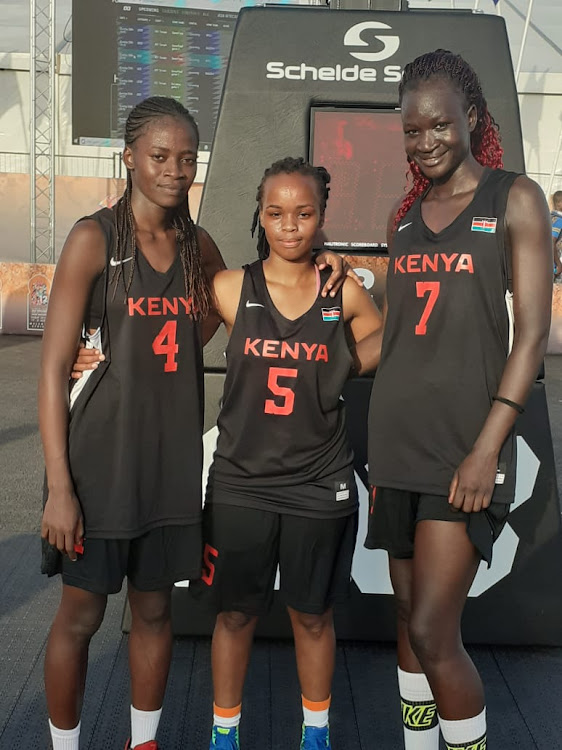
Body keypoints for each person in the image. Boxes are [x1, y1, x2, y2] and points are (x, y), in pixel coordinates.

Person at [41, 97, 354, 750]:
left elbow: (249, 303)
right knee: (80, 617)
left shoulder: (197, 247)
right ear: (129, 157)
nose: (175, 171)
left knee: (155, 611)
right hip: (98, 468)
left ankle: (144, 743)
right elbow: (49, 371)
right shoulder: (93, 238)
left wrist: (334, 263)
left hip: (172, 469)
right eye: (159, 156)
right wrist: (60, 488)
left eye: (187, 159)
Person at [365, 50, 552, 750]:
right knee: (406, 618)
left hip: (465, 450)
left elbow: (531, 335)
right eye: (413, 131)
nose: (426, 142)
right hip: (395, 445)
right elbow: (394, 332)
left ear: (471, 117)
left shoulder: (515, 198)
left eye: (440, 125)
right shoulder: (404, 215)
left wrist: (487, 448)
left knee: (433, 631)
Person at [188, 157, 382, 750]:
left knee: (313, 616)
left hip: (319, 483)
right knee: (235, 616)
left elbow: (382, 331)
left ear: (322, 218)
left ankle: (315, 732)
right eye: (276, 213)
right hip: (241, 483)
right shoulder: (228, 288)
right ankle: (226, 733)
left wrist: (346, 361)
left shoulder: (341, 289)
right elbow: (162, 340)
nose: (290, 226)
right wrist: (85, 350)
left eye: (303, 214)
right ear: (260, 214)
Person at [551, 190, 562, 280]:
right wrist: (558, 264)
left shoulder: (548, 217)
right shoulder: (558, 220)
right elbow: (552, 241)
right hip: (555, 266)